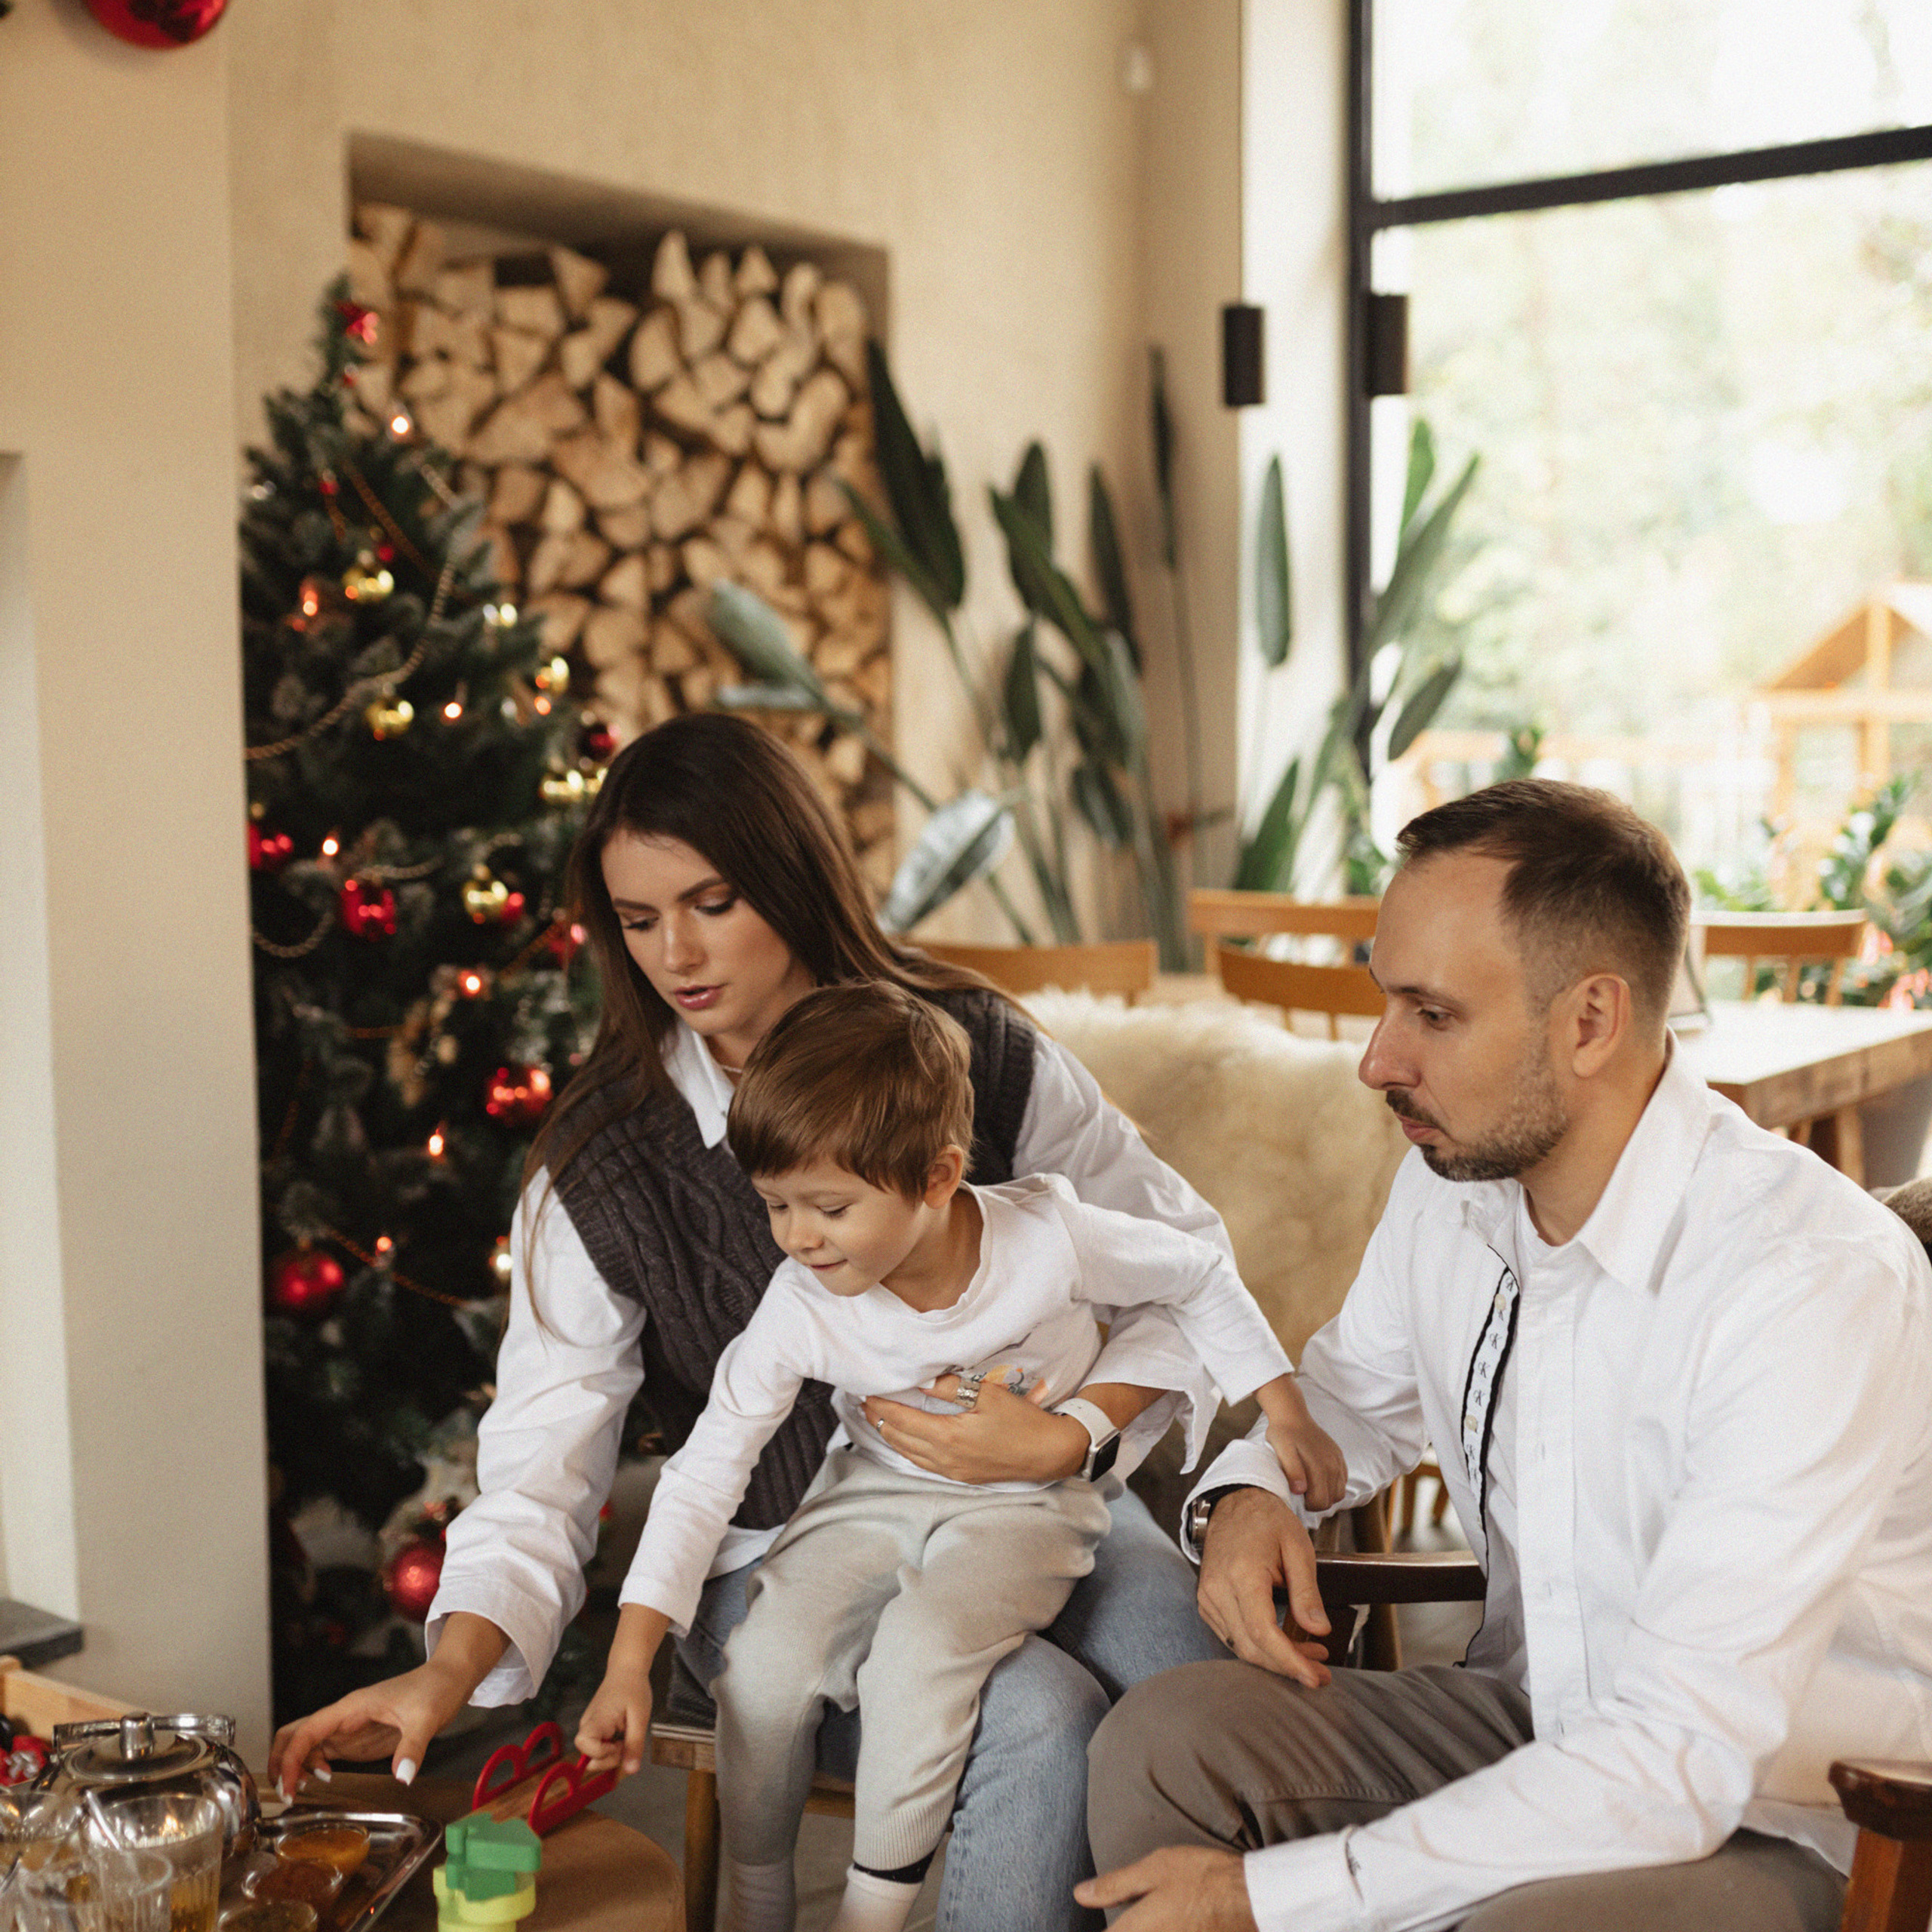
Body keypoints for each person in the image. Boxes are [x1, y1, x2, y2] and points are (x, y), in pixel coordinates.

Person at [266, 712, 1239, 1932]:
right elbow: (541, 1464)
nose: (675, 953)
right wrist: (448, 1671)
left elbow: (1187, 1264)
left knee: (1196, 1680)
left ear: (791, 878)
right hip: (780, 1555)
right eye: (637, 920)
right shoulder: (603, 1161)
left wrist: (1075, 1434)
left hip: (1054, 1501)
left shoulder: (980, 1052)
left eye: (712, 902)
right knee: (1039, 1719)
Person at [1080, 780, 1932, 1932]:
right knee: (1165, 1743)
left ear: (1590, 1021)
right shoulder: (1453, 1189)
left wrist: (1267, 1897)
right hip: (1538, 1725)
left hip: (1797, 1820)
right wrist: (1250, 1492)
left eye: (1433, 1015)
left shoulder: (1808, 1283)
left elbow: (1677, 1758)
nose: (1377, 1059)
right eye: (1387, 1002)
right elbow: (1346, 1403)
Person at [576, 982, 1343, 1932]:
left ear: (937, 1178)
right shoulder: (801, 1301)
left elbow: (1196, 1274)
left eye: (828, 1206)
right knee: (764, 1673)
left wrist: (1283, 1409)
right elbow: (705, 1471)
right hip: (871, 1492)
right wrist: (629, 1658)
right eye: (774, 1204)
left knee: (921, 1656)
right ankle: (758, 1895)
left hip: (1027, 1505)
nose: (797, 1237)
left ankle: (869, 1915)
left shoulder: (1049, 1238)